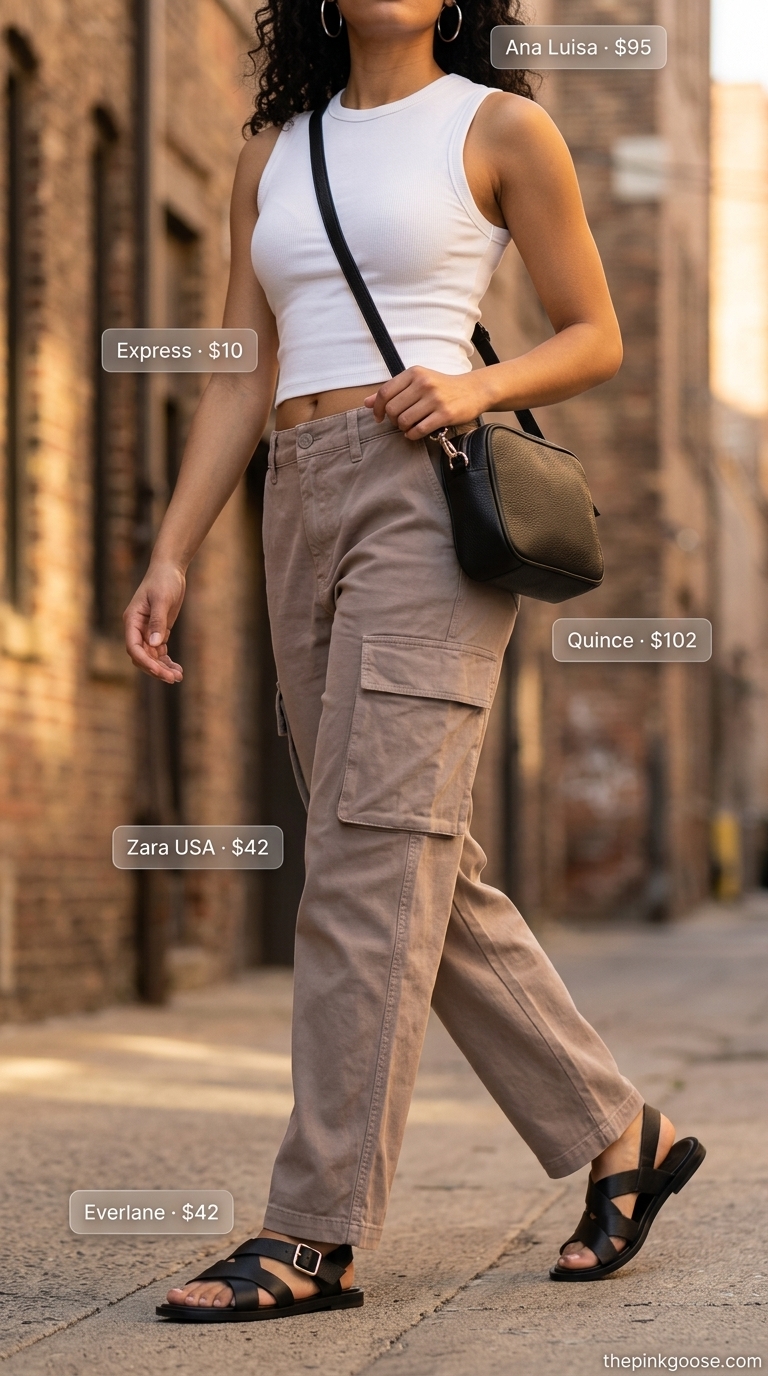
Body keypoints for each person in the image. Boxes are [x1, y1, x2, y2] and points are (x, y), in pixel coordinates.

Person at [125, 0, 705, 1324]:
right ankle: (622, 1132)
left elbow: (595, 332)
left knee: (367, 858)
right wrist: (171, 553)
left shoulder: (498, 129)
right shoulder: (273, 149)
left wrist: (472, 387)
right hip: (295, 495)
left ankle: (312, 1230)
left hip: (420, 494)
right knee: (403, 855)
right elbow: (240, 374)